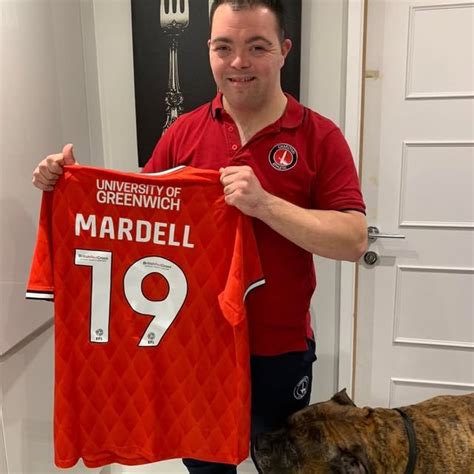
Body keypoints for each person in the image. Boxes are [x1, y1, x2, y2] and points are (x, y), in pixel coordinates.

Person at [32, 0, 368, 472]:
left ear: (284, 50)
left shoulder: (319, 135)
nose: (239, 62)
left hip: (278, 350)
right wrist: (70, 185)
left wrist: (265, 205)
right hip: (195, 350)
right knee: (207, 470)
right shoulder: (182, 133)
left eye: (257, 47)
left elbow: (353, 240)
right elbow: (137, 221)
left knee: (284, 466)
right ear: (209, 49)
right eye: (224, 47)